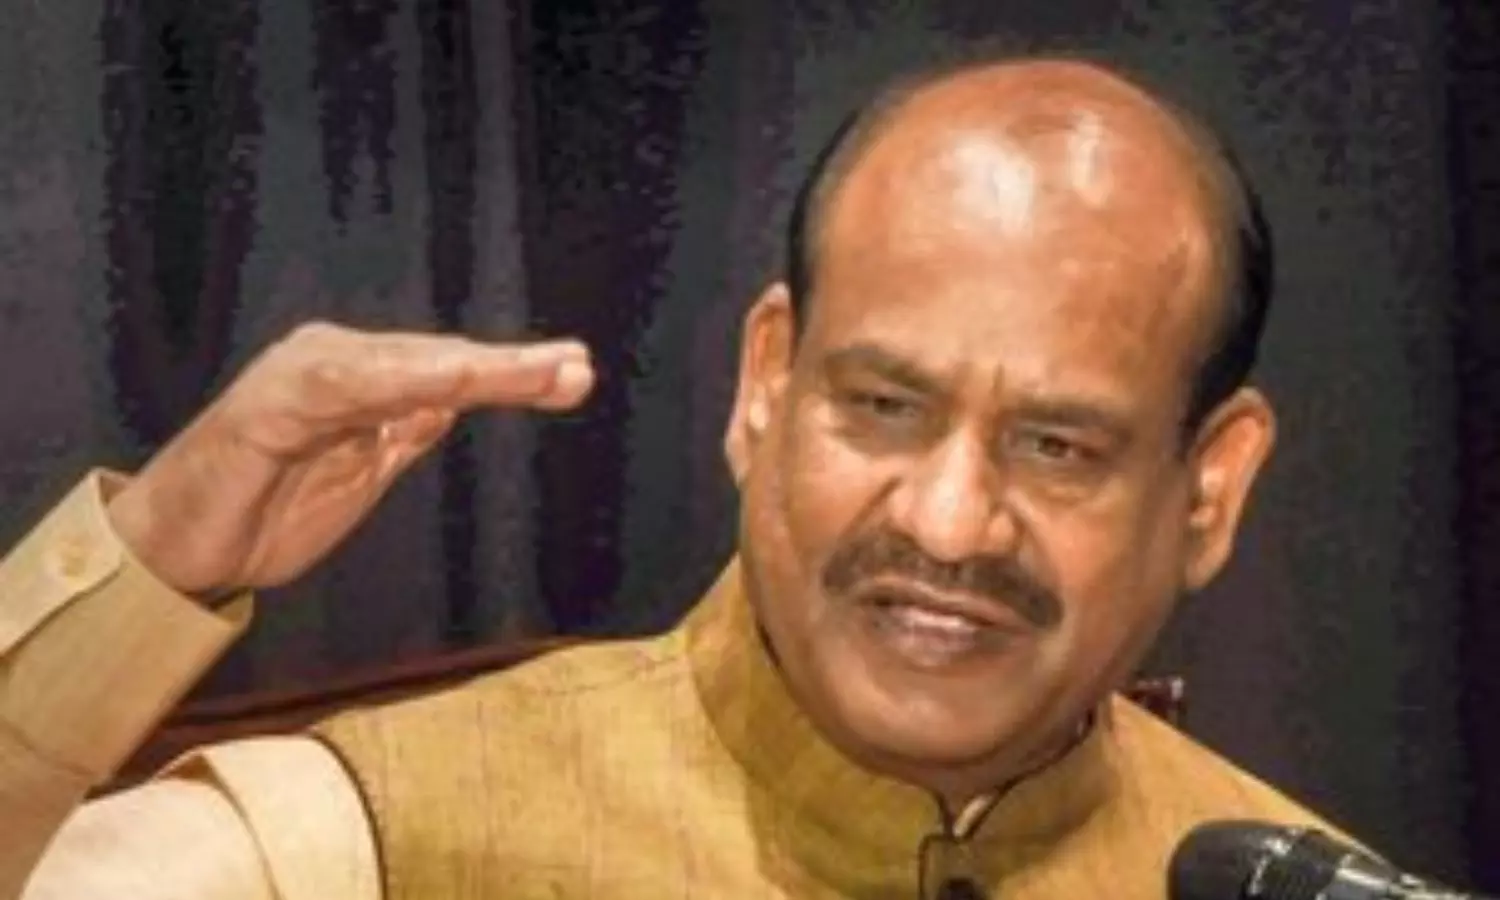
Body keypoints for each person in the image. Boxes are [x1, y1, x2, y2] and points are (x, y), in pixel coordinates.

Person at [0, 55, 1356, 899]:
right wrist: (147, 565)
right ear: (766, 385)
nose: (948, 523)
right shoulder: (374, 837)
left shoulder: (1280, 878)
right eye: (884, 407)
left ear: (1211, 487)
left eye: (1057, 447)